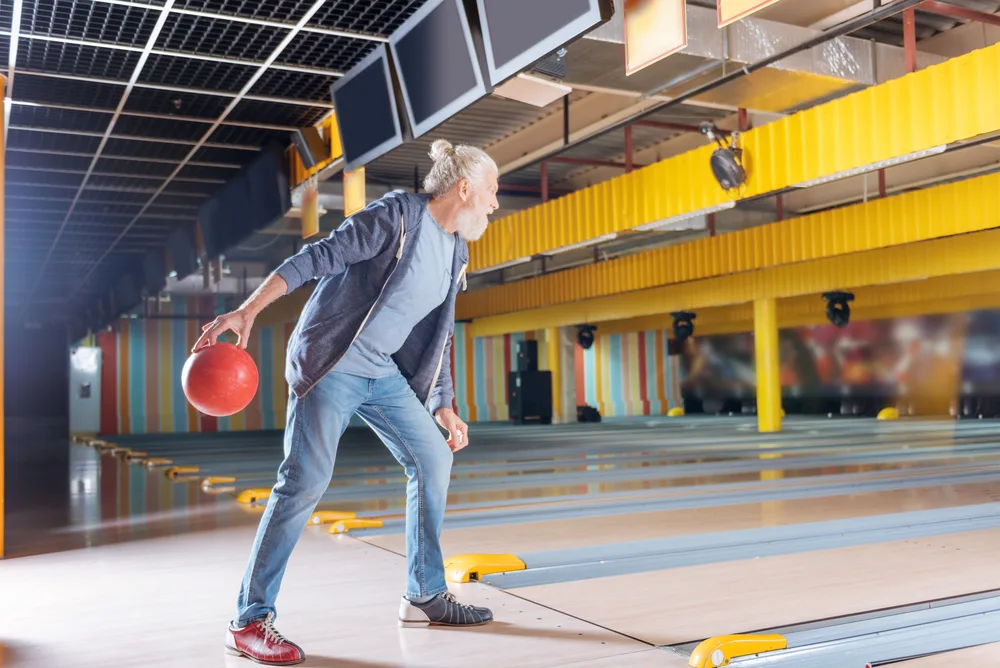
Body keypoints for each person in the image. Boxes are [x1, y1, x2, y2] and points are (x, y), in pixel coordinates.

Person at [194, 139, 500, 666]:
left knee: (433, 456)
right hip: (332, 361)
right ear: (465, 188)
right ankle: (248, 621)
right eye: (492, 192)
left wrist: (444, 402)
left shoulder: (457, 248)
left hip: (381, 372)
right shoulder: (396, 218)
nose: (496, 204)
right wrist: (247, 310)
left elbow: (439, 330)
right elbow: (317, 256)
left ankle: (423, 593)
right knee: (303, 483)